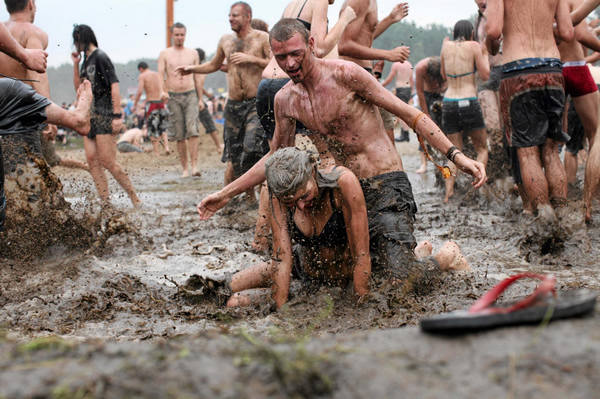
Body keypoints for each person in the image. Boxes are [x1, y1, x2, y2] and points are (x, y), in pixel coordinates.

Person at [198, 19, 486, 281]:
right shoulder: (286, 99)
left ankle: (445, 255)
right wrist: (225, 194)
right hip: (343, 189)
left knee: (398, 282)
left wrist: (456, 156)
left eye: (296, 53)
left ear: (311, 45)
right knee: (332, 273)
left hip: (385, 183)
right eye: (281, 57)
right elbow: (276, 158)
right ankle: (407, 252)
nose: (290, 63)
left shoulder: (346, 75)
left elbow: (410, 114)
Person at [224, 147, 469, 308]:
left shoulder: (342, 184)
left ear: (313, 171)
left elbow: (361, 255)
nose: (301, 205)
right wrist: (279, 311)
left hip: (352, 273)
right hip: (310, 271)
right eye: (292, 202)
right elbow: (282, 260)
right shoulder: (278, 194)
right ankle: (215, 288)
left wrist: (360, 303)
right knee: (232, 297)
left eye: (305, 195)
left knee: (402, 285)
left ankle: (444, 256)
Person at [486, 0, 574, 223]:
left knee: (527, 153)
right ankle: (563, 216)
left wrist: (492, 47)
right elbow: (566, 32)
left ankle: (545, 219)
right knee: (552, 151)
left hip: (518, 70)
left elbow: (494, 30)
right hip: (552, 68)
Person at [176, 3, 270, 191]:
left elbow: (275, 64)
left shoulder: (263, 38)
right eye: (229, 16)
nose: (230, 19)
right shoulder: (225, 40)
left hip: (255, 103)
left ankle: (257, 188)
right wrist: (192, 69)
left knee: (251, 147)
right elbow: (213, 64)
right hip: (233, 105)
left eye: (235, 16)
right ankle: (247, 196)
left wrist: (252, 59)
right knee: (234, 155)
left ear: (248, 17)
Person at [0, 0, 88, 172]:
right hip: (24, 117)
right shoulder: (32, 32)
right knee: (34, 176)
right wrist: (49, 114)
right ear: (31, 4)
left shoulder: (3, 33)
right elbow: (37, 74)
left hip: (2, 116)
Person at [72, 24, 140, 207]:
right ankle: (106, 203)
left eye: (76, 41)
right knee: (92, 160)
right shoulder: (85, 61)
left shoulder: (100, 57)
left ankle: (135, 198)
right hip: (89, 117)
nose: (75, 45)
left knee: (108, 161)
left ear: (83, 39)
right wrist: (75, 64)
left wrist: (117, 115)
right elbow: (78, 88)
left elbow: (114, 85)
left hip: (104, 114)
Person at [338, 0, 410, 141]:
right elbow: (344, 45)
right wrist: (387, 54)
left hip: (362, 73)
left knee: (382, 133)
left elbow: (363, 38)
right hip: (354, 75)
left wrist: (390, 19)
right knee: (385, 138)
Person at [558, 0, 600, 222]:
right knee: (596, 134)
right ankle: (589, 203)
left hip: (550, 67)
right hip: (575, 65)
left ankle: (559, 200)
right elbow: (581, 34)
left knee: (554, 143)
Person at [440, 20, 490, 202]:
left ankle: (448, 193)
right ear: (471, 33)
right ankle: (478, 187)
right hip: (469, 100)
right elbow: (485, 75)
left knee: (454, 152)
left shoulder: (445, 46)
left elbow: (444, 75)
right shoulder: (474, 46)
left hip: (449, 101)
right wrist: (483, 53)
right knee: (482, 148)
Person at [158, 22, 204, 177]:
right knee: (179, 134)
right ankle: (184, 168)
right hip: (173, 95)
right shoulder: (165, 53)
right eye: (177, 34)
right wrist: (162, 91)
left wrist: (200, 98)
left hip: (190, 93)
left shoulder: (192, 53)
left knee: (193, 130)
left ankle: (194, 166)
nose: (179, 37)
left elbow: (198, 77)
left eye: (182, 34)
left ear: (185, 35)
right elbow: (161, 74)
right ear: (172, 35)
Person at [414, 56, 447, 174]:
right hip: (426, 96)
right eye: (432, 79)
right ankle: (424, 164)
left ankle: (444, 158)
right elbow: (419, 92)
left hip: (440, 96)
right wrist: (425, 113)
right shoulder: (420, 68)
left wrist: (442, 87)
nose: (434, 82)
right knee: (424, 131)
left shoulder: (443, 65)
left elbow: (448, 81)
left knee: (442, 129)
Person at [133, 61, 171, 156]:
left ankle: (156, 152)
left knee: (153, 128)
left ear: (140, 69)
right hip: (161, 103)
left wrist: (135, 103)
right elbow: (165, 87)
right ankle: (166, 147)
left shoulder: (142, 76)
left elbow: (140, 91)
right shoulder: (157, 74)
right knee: (163, 127)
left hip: (152, 104)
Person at [195, 48, 223, 154]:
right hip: (198, 100)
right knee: (209, 124)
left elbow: (199, 87)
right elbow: (199, 86)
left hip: (193, 98)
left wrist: (207, 95)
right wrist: (203, 99)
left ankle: (218, 146)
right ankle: (218, 146)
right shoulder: (200, 69)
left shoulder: (192, 68)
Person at [381, 59, 414, 142]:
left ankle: (405, 134)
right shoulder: (409, 64)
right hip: (408, 89)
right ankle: (404, 133)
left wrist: (381, 85)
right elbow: (411, 80)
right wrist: (412, 91)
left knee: (401, 112)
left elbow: (390, 78)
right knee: (405, 110)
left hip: (401, 89)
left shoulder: (396, 64)